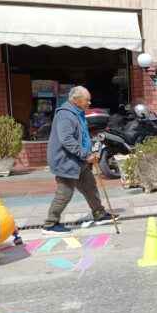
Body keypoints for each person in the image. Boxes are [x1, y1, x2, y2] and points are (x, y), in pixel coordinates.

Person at [43, 86, 114, 236]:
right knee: (65, 192)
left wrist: (89, 151)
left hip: (78, 160)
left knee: (89, 186)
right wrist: (85, 154)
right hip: (66, 160)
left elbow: (81, 135)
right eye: (87, 100)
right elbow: (66, 139)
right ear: (76, 100)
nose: (89, 102)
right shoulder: (65, 115)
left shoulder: (78, 113)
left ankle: (99, 214)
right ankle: (50, 224)